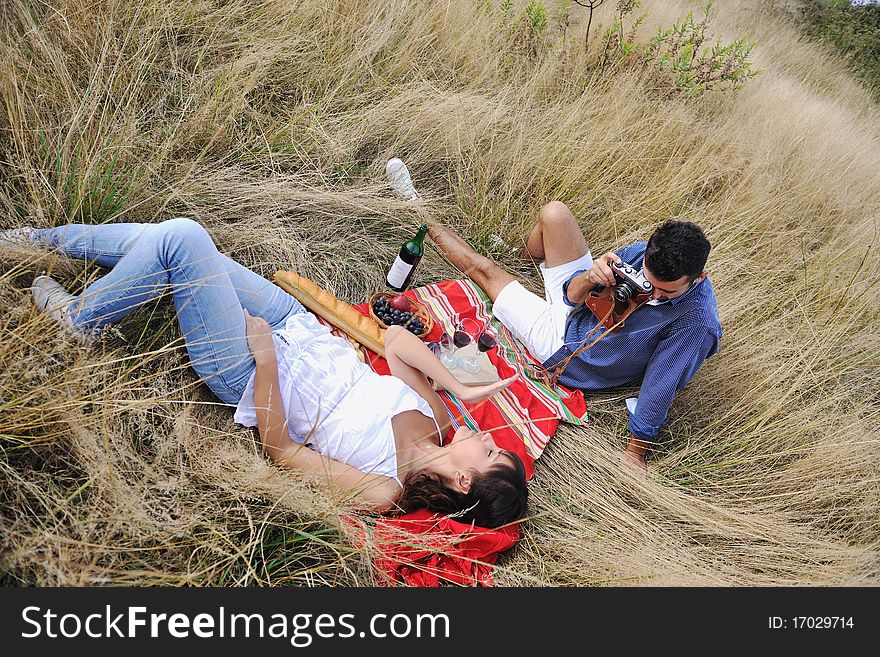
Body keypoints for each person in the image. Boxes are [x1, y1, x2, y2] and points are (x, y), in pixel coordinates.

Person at [0, 219, 527, 528]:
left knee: (183, 240)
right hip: (295, 325)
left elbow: (283, 449)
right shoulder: (436, 419)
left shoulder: (383, 490)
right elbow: (393, 341)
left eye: (488, 452)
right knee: (170, 238)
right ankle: (38, 240)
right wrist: (454, 385)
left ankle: (80, 321)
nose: (484, 436)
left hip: (251, 368)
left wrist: (267, 361)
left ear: (464, 480)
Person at [384, 160, 721, 470]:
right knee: (554, 214)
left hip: (565, 346)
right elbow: (571, 295)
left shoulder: (695, 324)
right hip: (581, 306)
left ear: (700, 277)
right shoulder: (647, 255)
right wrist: (591, 276)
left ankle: (416, 208)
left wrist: (636, 452)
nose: (654, 294)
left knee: (483, 269)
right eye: (648, 283)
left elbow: (659, 387)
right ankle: (521, 260)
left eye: (667, 293)